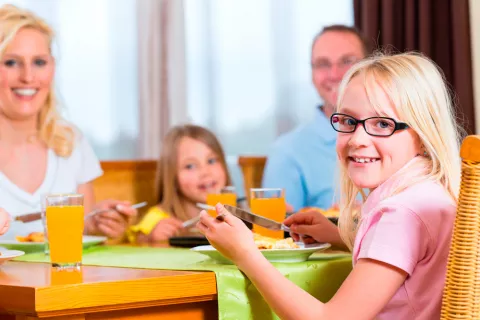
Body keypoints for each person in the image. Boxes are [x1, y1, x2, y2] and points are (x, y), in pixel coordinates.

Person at [197, 52, 462, 319]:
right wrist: (339, 237)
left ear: (424, 135)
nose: (357, 139)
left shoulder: (401, 213)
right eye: (348, 121)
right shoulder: (428, 194)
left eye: (382, 123)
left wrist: (245, 254)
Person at [0, 4, 137, 241]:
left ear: (52, 67)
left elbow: (79, 235)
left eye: (39, 62)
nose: (28, 77)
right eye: (11, 62)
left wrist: (94, 224)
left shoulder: (71, 141)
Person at [262, 25, 370, 211]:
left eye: (347, 61)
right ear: (312, 74)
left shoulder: (403, 135)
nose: (335, 75)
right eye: (323, 64)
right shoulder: (287, 152)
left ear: (371, 67)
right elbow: (276, 231)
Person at [128, 124, 237, 244]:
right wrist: (151, 238)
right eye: (190, 166)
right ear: (172, 177)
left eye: (211, 161)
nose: (206, 172)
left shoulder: (236, 214)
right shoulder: (157, 217)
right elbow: (136, 243)